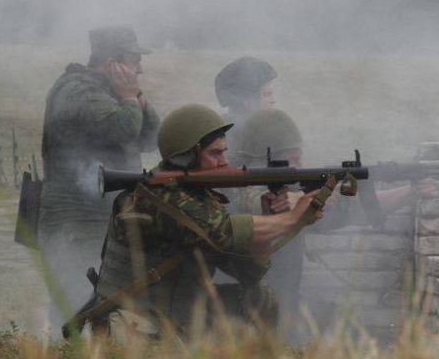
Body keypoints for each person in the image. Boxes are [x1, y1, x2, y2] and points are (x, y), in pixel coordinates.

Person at [87, 103, 326, 338]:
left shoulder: (198, 196)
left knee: (259, 299)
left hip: (176, 308)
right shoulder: (164, 197)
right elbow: (226, 232)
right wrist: (294, 218)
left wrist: (272, 219)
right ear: (187, 158)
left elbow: (245, 270)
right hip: (137, 316)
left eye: (224, 152)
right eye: (215, 153)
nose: (224, 161)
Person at [233, 108, 438, 338]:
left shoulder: (287, 197)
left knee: (347, 330)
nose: (300, 164)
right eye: (294, 158)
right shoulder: (241, 195)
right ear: (267, 161)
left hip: (282, 309)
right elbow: (256, 206)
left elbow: (348, 211)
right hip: (245, 316)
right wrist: (309, 201)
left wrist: (409, 193)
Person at [37, 25, 161, 336]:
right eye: (134, 60)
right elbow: (123, 128)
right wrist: (130, 97)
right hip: (75, 223)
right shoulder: (78, 91)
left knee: (105, 305)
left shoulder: (110, 93)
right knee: (75, 302)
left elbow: (149, 138)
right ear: (112, 63)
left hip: (102, 219)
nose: (140, 68)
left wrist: (137, 98)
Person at [214, 56, 277, 163]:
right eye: (267, 94)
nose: (273, 100)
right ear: (245, 100)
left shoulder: (263, 130)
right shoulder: (224, 140)